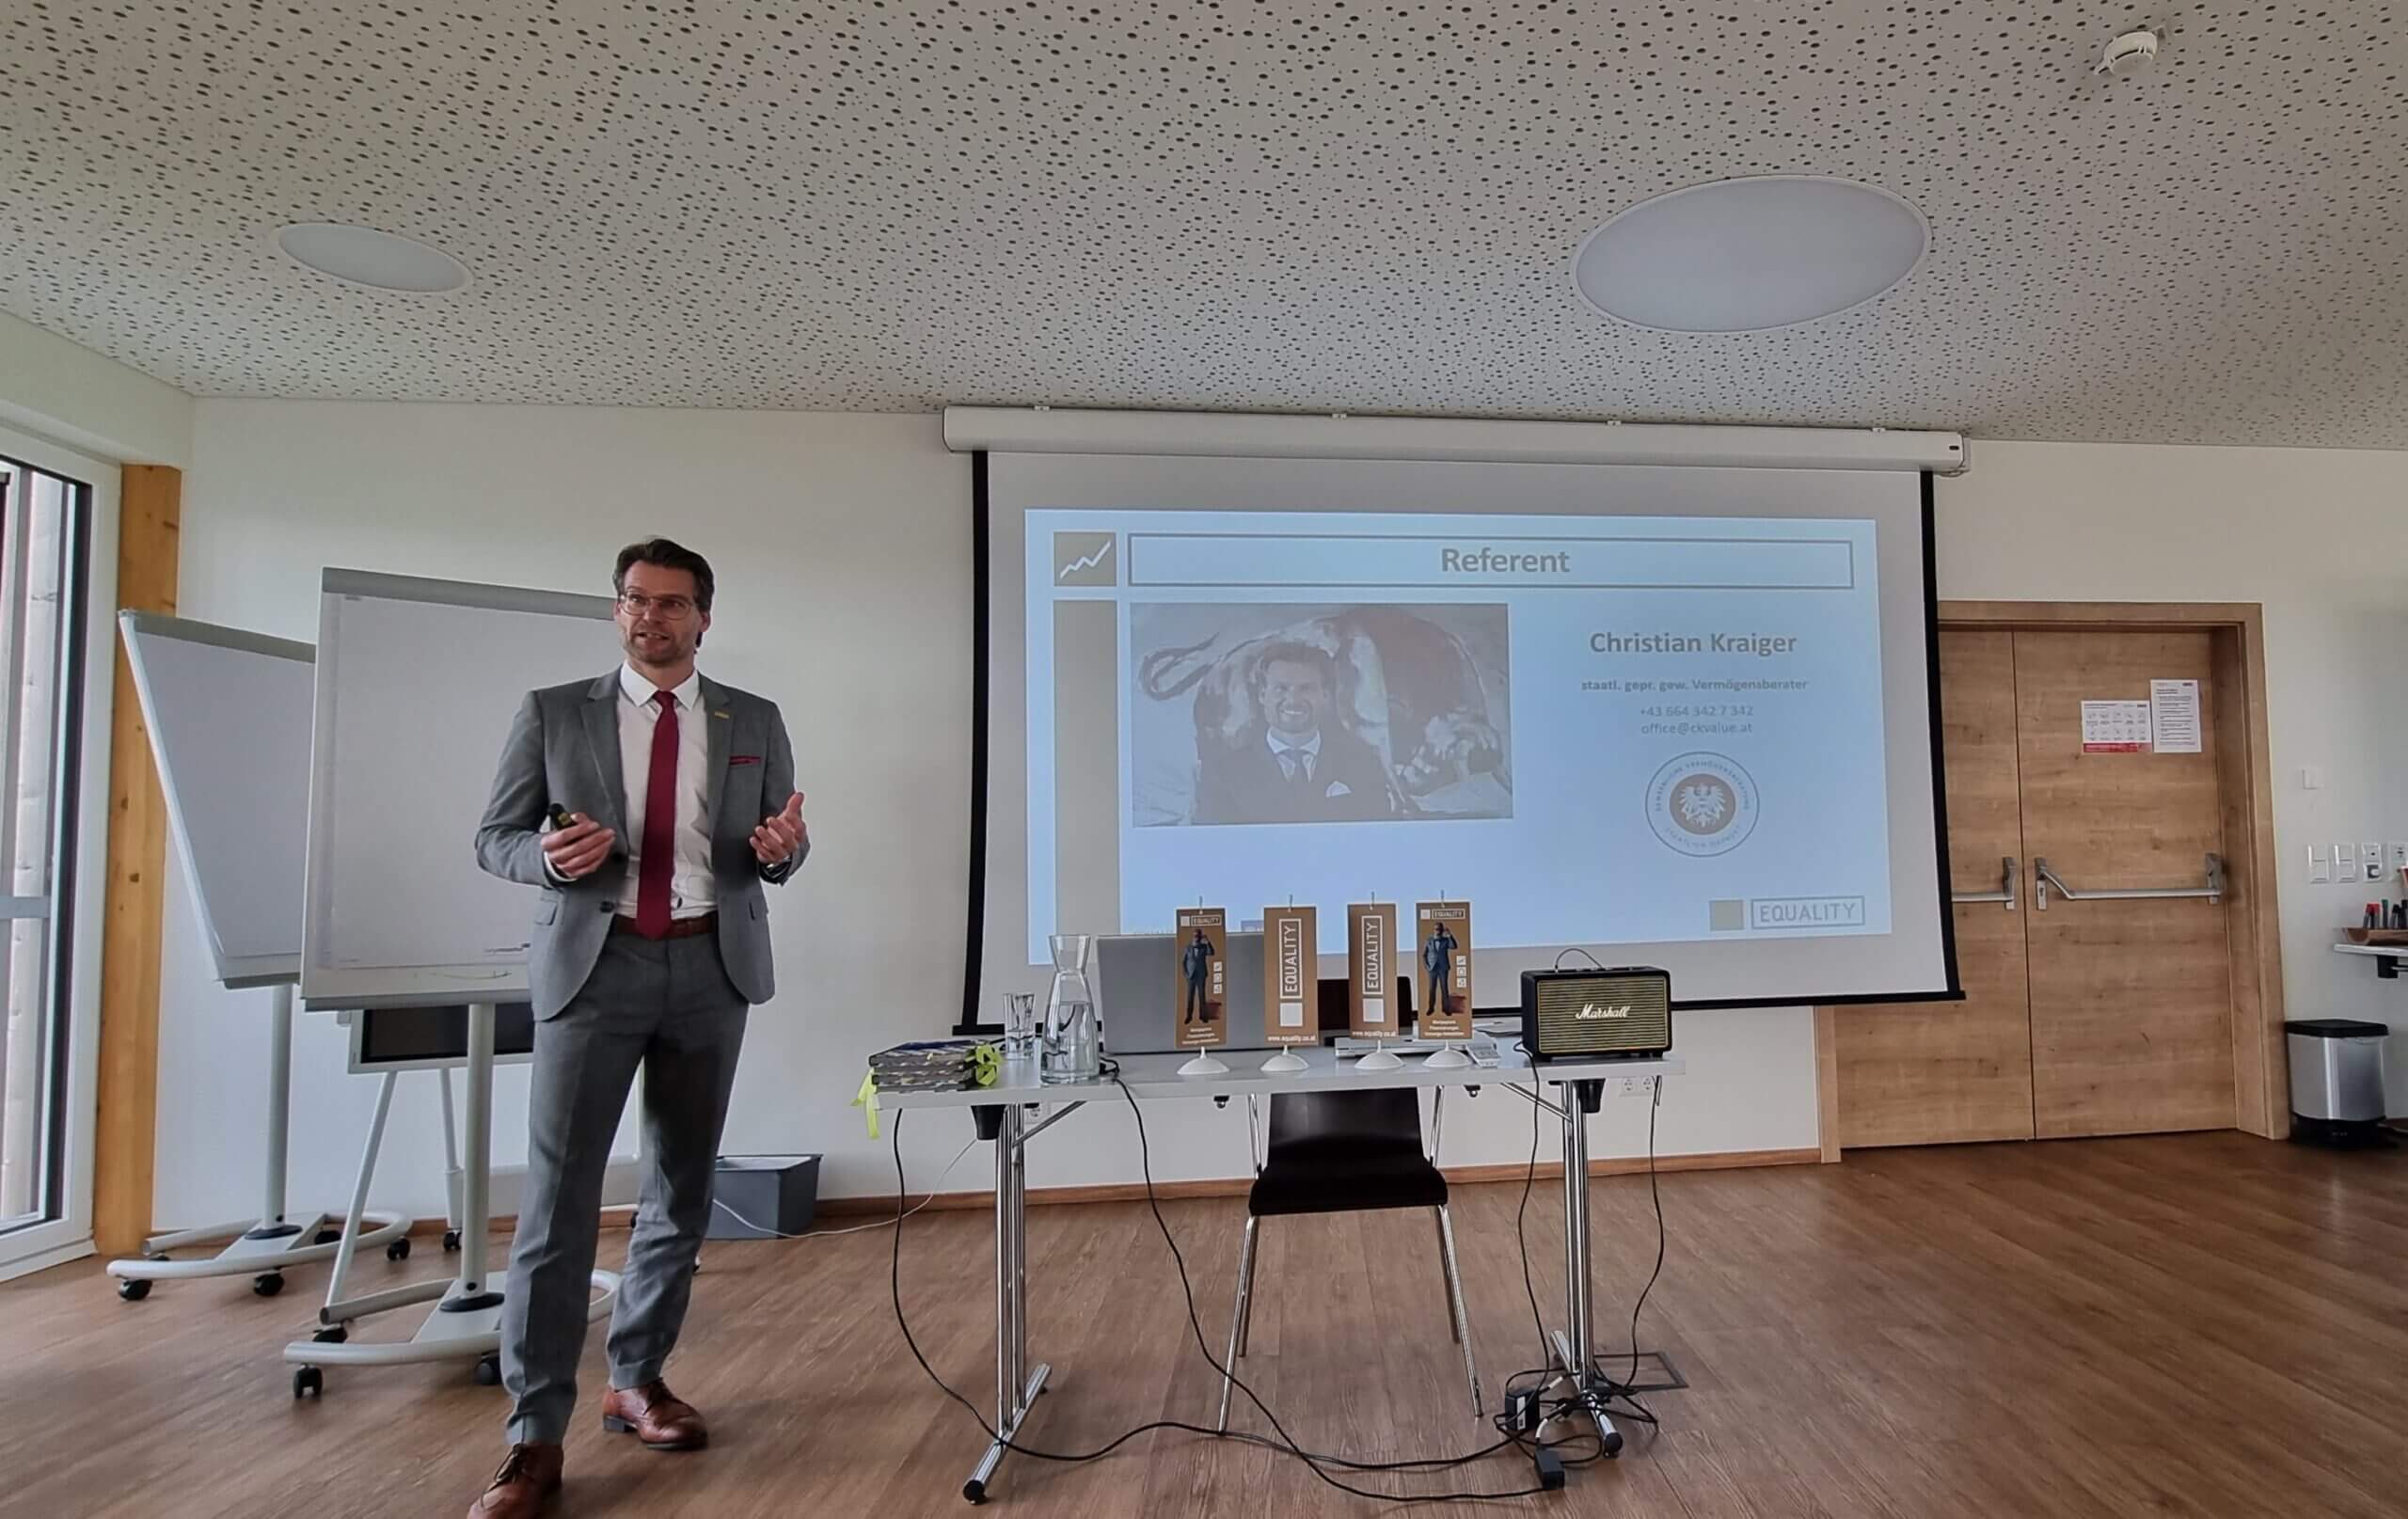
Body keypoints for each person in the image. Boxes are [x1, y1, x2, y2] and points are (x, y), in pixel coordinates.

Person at [465, 539, 809, 1519]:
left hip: (711, 964)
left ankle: (636, 1378)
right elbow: (493, 838)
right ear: (616, 610)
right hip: (595, 965)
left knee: (681, 1188)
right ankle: (534, 1435)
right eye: (634, 600)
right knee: (557, 1202)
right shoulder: (553, 712)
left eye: (670, 602)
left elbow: (780, 842)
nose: (649, 616)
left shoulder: (753, 718)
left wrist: (783, 851)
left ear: (704, 617)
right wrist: (547, 857)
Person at [1190, 642, 1392, 824]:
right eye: (1281, 689)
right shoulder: (1223, 773)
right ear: (1262, 695)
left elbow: (1377, 837)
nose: (1293, 700)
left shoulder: (1364, 765)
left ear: (1325, 695)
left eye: (1306, 689)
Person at [1421, 919, 1458, 1023]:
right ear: (1434, 930)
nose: (1438, 931)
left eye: (1440, 929)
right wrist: (1427, 966)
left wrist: (1450, 935)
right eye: (1436, 929)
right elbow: (1424, 954)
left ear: (1442, 930)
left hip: (1443, 967)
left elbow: (1454, 946)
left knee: (1444, 988)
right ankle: (1431, 1008)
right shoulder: (1429, 940)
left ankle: (1446, 1009)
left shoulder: (1445, 940)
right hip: (1432, 968)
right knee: (1432, 989)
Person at [1180, 926, 1216, 1026]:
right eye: (1195, 935)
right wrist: (1186, 974)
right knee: (1190, 997)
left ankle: (1203, 1016)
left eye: (1198, 936)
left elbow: (1212, 953)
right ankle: (1189, 1016)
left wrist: (1208, 942)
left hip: (1201, 975)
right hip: (1191, 975)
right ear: (1193, 936)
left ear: (1200, 937)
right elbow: (1183, 962)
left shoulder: (1204, 947)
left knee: (1202, 996)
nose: (1196, 937)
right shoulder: (1188, 947)